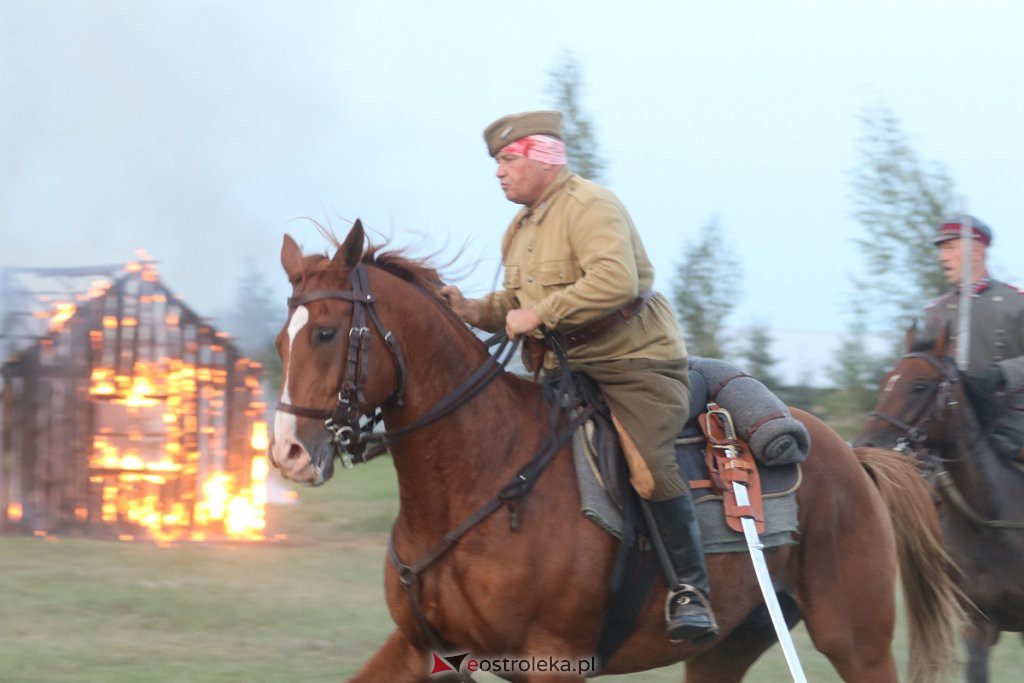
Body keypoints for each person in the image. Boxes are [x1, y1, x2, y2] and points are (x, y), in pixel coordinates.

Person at [441, 110, 717, 642]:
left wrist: (541, 316)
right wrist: (473, 310)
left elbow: (615, 280)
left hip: (634, 364)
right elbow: (516, 301)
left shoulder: (591, 205)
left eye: (507, 160)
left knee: (647, 462)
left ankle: (690, 590)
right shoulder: (520, 228)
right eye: (497, 162)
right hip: (563, 370)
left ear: (542, 157)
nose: (499, 172)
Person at [924, 215, 1024, 461]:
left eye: (950, 248)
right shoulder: (935, 312)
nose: (942, 257)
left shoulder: (1017, 302)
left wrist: (1004, 372)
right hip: (952, 426)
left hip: (1011, 424)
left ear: (977, 251)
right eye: (941, 250)